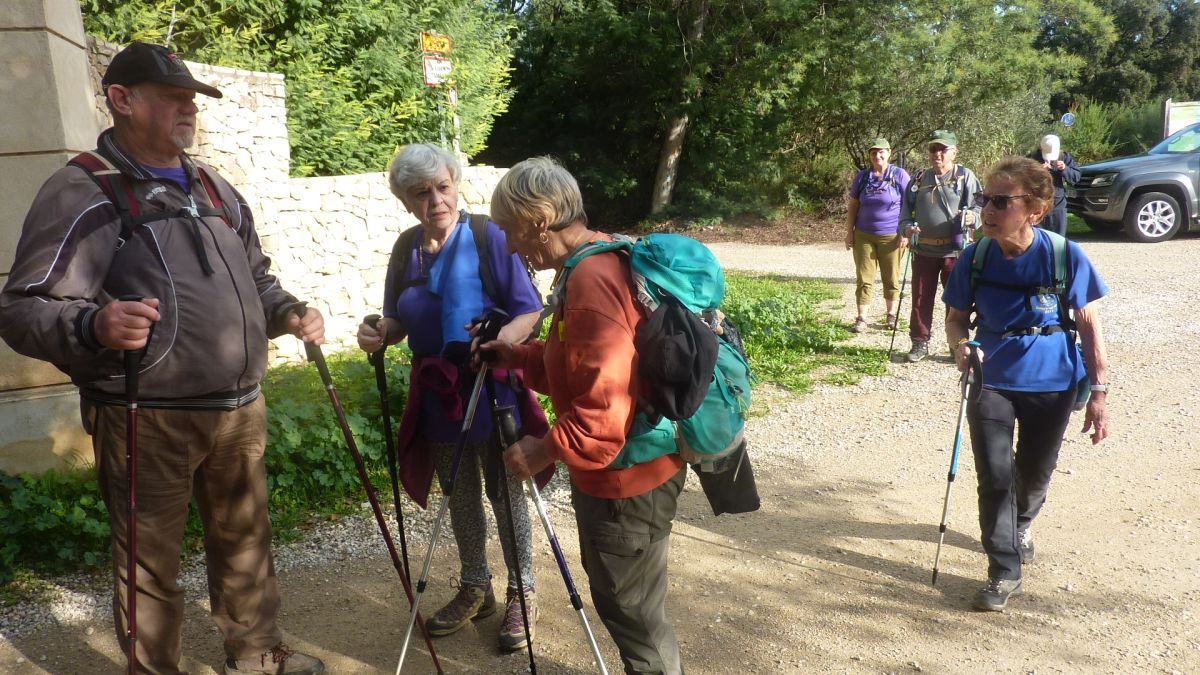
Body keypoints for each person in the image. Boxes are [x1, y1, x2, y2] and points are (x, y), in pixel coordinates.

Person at [0, 42, 325, 674]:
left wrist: (287, 311)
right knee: (150, 567)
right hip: (147, 417)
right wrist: (94, 324)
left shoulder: (213, 187)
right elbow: (21, 306)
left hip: (238, 411)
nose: (188, 110)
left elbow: (257, 280)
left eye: (192, 99)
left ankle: (257, 653)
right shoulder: (83, 190)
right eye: (172, 97)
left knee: (247, 542)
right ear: (121, 99)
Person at [482, 157, 688, 674]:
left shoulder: (590, 282)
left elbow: (601, 417)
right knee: (634, 607)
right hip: (640, 468)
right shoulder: (599, 255)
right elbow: (583, 371)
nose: (509, 245)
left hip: (625, 482)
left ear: (541, 217)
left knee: (632, 613)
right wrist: (520, 358)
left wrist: (540, 448)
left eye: (510, 229)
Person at [355, 143, 546, 652]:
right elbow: (396, 317)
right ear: (406, 201)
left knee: (506, 492)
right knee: (458, 494)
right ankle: (475, 585)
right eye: (421, 192)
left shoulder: (490, 236)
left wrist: (505, 342)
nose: (435, 200)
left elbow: (530, 309)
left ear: (455, 183)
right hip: (440, 392)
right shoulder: (406, 249)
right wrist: (379, 330)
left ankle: (521, 589)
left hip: (492, 386)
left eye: (442, 186)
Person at [943, 156, 1110, 611]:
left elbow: (1090, 326)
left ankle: (1021, 523)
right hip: (990, 379)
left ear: (1035, 209)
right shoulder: (975, 257)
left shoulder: (1062, 254)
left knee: (1034, 472)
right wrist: (961, 346)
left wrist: (1099, 393)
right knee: (995, 475)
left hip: (1052, 381)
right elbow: (956, 320)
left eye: (1000, 201)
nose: (987, 210)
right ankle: (1003, 569)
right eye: (984, 199)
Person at [899, 129, 983, 362]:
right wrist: (907, 228)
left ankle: (955, 345)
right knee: (920, 298)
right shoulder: (918, 179)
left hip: (955, 252)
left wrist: (972, 218)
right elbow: (904, 214)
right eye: (933, 148)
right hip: (923, 250)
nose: (937, 153)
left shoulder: (966, 177)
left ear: (954, 152)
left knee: (956, 300)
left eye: (943, 149)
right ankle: (919, 342)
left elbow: (981, 208)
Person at [845, 137, 911, 333]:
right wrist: (849, 232)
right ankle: (862, 318)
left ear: (889, 152)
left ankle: (891, 316)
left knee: (891, 277)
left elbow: (910, 204)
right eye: (873, 153)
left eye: (881, 152)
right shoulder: (863, 177)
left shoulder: (900, 175)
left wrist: (906, 232)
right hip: (864, 235)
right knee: (864, 278)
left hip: (892, 235)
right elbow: (853, 205)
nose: (877, 156)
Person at [1027, 134, 1080, 237]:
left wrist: (1065, 169)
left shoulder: (1064, 157)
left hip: (1058, 206)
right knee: (1037, 240)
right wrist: (1038, 172)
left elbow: (1076, 177)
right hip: (1037, 206)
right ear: (1042, 148)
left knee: (1058, 241)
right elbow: (1022, 180)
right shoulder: (1031, 158)